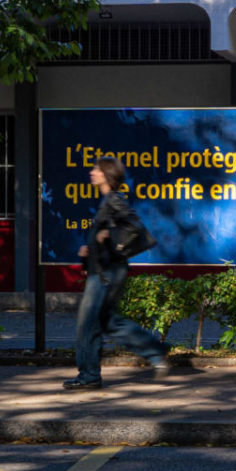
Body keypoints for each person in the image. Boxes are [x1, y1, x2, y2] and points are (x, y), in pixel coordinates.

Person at [64, 156, 170, 390]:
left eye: (96, 169)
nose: (92, 172)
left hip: (106, 272)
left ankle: (89, 376)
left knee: (87, 324)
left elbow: (135, 227)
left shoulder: (113, 201)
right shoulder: (108, 202)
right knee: (108, 322)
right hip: (106, 269)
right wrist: (90, 249)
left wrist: (108, 238)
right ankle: (155, 351)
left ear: (106, 174)